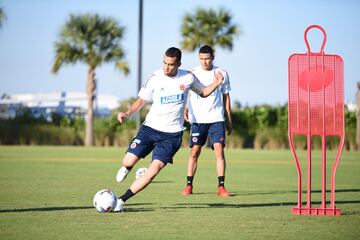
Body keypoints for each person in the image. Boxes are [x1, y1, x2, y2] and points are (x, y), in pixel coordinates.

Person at [113, 47, 224, 211]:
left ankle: (122, 200)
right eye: (164, 63)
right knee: (127, 161)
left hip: (171, 136)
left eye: (171, 64)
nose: (166, 67)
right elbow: (141, 100)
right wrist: (127, 113)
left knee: (153, 171)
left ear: (178, 63)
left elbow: (204, 92)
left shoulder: (187, 77)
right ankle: (127, 167)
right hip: (150, 129)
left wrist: (216, 82)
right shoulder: (155, 77)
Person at [181, 45, 232, 197]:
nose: (204, 62)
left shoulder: (221, 73)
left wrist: (229, 119)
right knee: (195, 151)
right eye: (202, 59)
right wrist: (185, 108)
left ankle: (221, 187)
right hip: (197, 119)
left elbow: (226, 97)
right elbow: (186, 93)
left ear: (213, 58)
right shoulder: (192, 73)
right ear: (198, 58)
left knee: (219, 150)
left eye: (207, 59)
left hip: (216, 118)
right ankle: (189, 185)